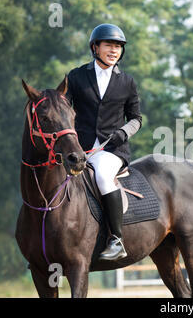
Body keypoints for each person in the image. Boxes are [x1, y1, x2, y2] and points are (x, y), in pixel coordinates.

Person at [65, 24, 142, 261]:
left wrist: (124, 132)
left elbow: (136, 118)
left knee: (102, 177)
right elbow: (63, 111)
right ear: (95, 47)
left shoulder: (127, 82)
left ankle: (116, 239)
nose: (114, 50)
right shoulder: (76, 77)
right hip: (81, 148)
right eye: (109, 45)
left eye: (118, 46)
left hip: (111, 149)